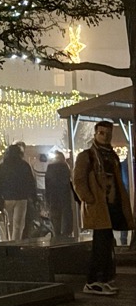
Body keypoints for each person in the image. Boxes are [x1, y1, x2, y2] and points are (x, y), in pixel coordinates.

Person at [73, 121, 134, 295]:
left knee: (106, 243)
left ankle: (103, 279)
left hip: (110, 205)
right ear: (95, 134)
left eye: (108, 134)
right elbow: (78, 180)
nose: (105, 137)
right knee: (101, 243)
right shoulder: (87, 156)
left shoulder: (111, 155)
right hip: (99, 205)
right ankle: (94, 280)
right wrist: (89, 198)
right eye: (101, 133)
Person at [0, 142, 36, 241]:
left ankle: (10, 241)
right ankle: (16, 242)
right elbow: (30, 182)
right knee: (18, 224)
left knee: (9, 223)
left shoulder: (2, 167)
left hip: (7, 198)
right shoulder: (24, 165)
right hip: (21, 198)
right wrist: (33, 197)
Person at [44, 150, 75, 240]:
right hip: (65, 194)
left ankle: (56, 234)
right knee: (66, 214)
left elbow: (47, 184)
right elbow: (70, 181)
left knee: (55, 216)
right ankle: (66, 234)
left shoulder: (50, 167)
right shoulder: (65, 167)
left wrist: (47, 199)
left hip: (53, 195)